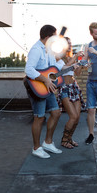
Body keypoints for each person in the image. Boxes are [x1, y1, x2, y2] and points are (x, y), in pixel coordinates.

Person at [24, 25, 64, 159]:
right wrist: (45, 80)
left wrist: (69, 64)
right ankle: (36, 148)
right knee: (39, 117)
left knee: (56, 112)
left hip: (47, 86)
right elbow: (29, 69)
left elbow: (54, 68)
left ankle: (47, 142)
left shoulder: (49, 50)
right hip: (37, 86)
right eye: (54, 36)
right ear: (47, 37)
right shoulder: (36, 50)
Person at [56, 37, 85, 149]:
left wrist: (81, 65)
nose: (69, 45)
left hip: (74, 87)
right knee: (72, 116)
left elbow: (76, 73)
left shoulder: (71, 58)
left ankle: (69, 138)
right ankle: (64, 140)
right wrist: (75, 58)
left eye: (70, 43)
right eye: (66, 43)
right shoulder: (58, 58)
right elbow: (65, 69)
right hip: (64, 88)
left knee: (77, 117)